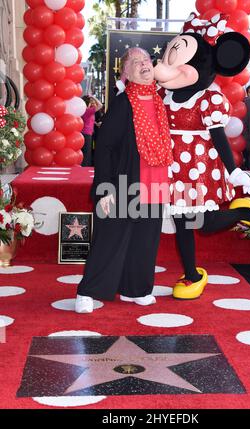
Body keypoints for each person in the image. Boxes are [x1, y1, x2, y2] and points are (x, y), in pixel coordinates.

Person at [154, 12, 250, 300]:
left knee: (205, 223)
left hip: (199, 166)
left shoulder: (208, 98)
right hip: (172, 168)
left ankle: (246, 212)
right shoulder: (165, 95)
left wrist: (234, 171)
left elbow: (219, 138)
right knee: (183, 223)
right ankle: (192, 274)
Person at [75, 47, 173, 313]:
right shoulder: (122, 103)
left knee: (146, 240)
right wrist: (104, 188)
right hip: (125, 182)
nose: (144, 64)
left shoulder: (159, 100)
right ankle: (87, 291)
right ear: (126, 72)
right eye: (136, 62)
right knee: (111, 238)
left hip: (156, 182)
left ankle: (135, 289)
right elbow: (104, 147)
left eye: (146, 60)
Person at [81, 95, 102, 167]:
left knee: (85, 152)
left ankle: (84, 166)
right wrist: (94, 97)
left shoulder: (83, 111)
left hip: (84, 133)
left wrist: (96, 123)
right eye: (91, 102)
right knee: (87, 153)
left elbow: (89, 120)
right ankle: (85, 167)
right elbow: (100, 105)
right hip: (87, 133)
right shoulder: (88, 111)